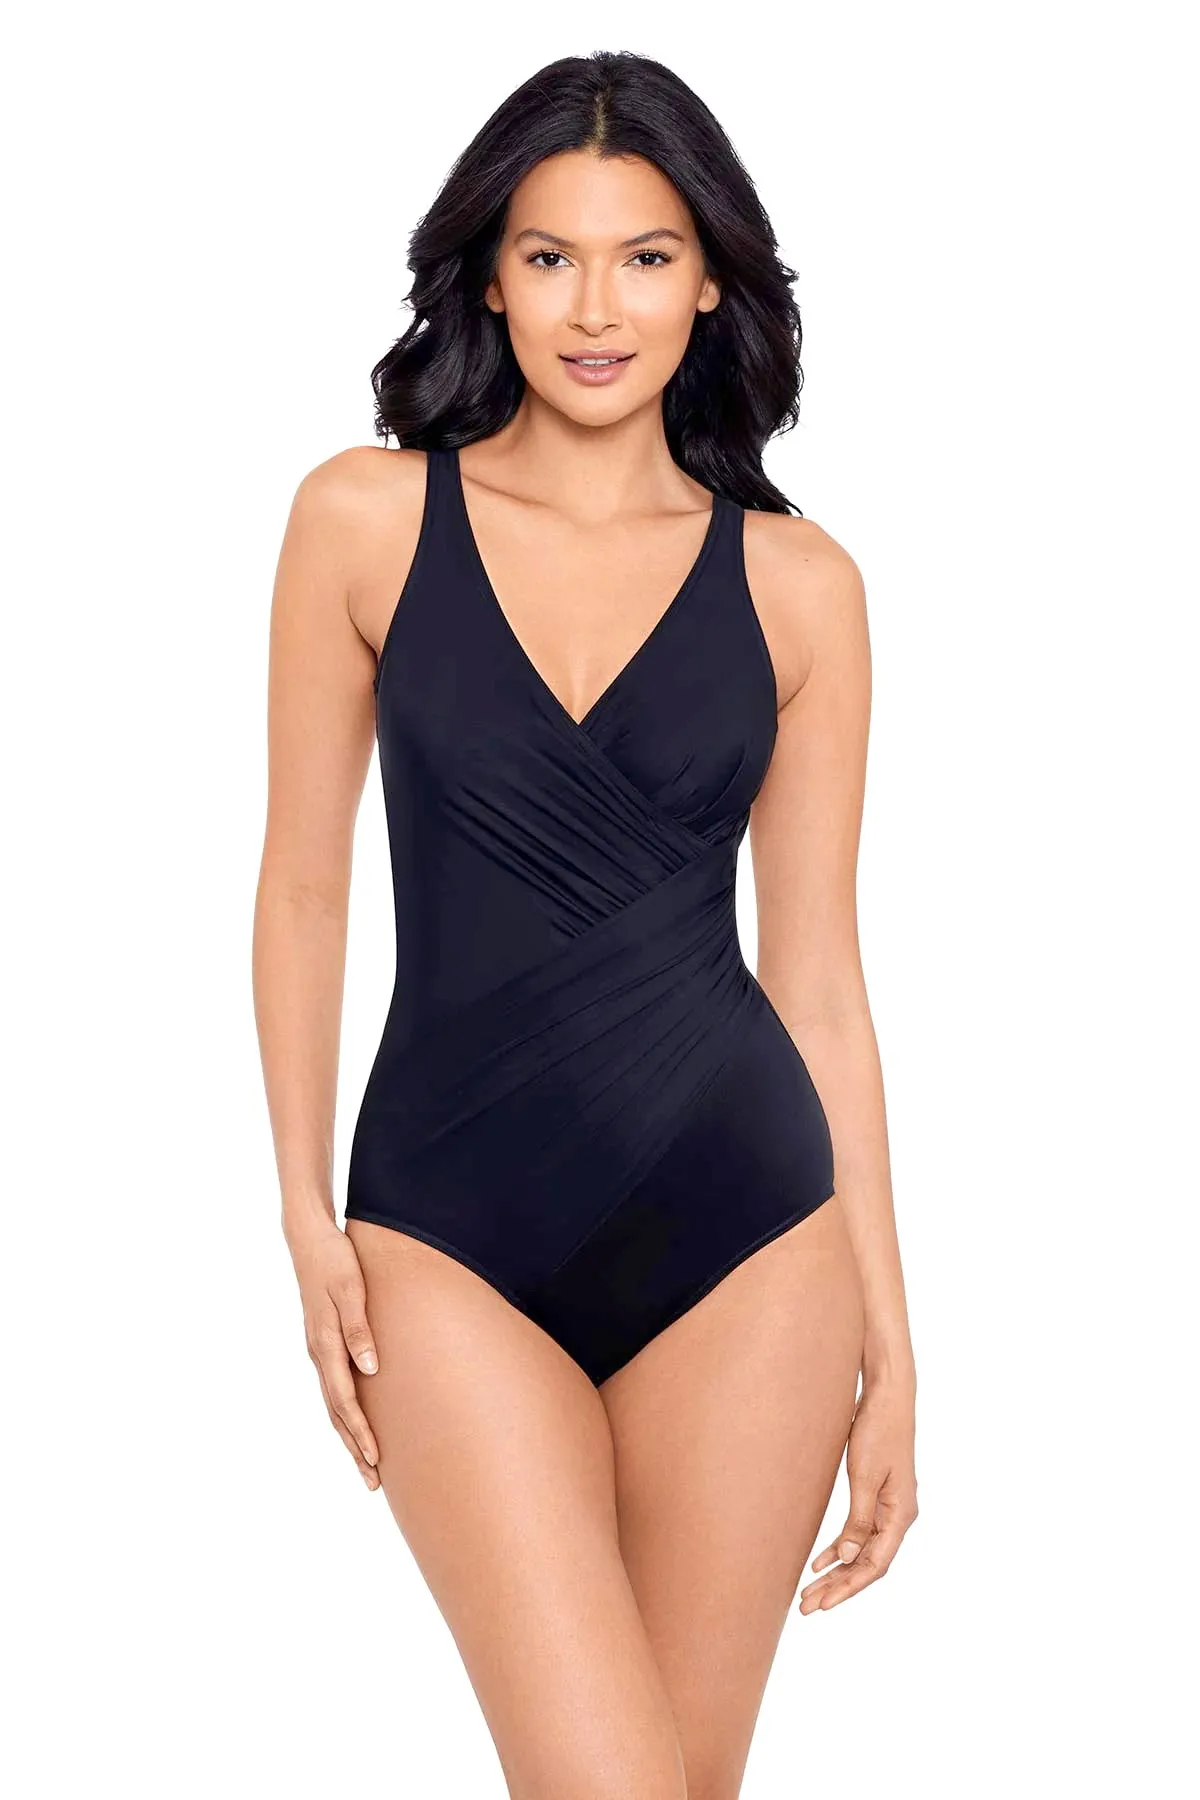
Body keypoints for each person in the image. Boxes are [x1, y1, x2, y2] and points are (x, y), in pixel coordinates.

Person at [253, 49, 917, 1800]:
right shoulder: (362, 520)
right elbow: (304, 883)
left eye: (644, 256)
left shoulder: (803, 586)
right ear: (489, 275)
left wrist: (892, 1333)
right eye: (550, 256)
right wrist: (304, 1209)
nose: (596, 307)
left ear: (709, 281)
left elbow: (821, 980)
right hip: (445, 1236)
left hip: (751, 1244)